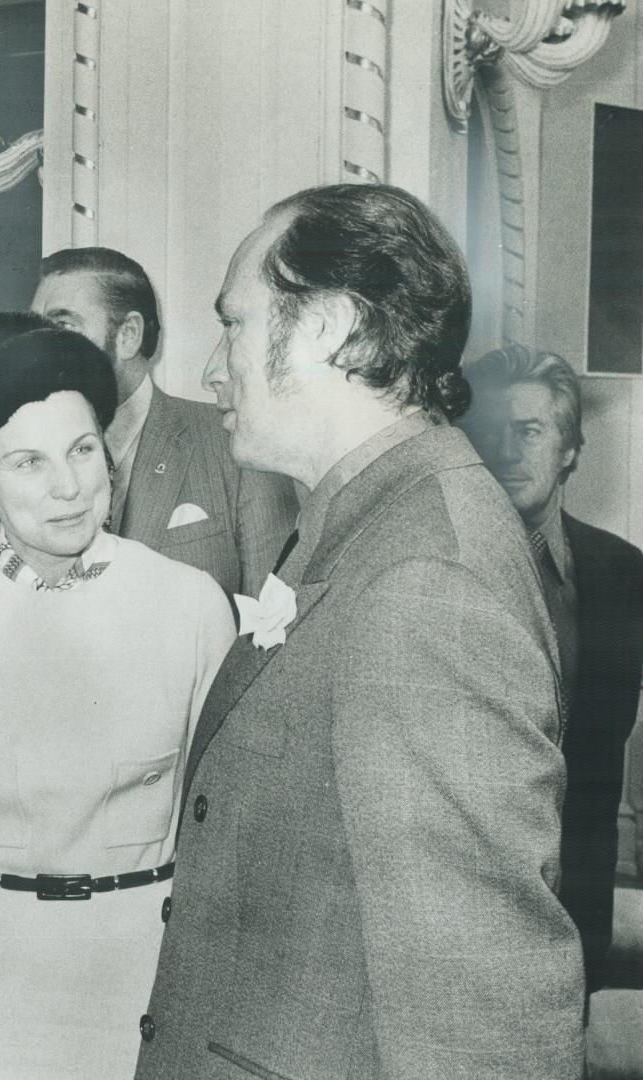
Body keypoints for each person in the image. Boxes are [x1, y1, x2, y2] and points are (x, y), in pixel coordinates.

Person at [136, 184, 585, 1080]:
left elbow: (480, 1010)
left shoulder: (426, 575)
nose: (214, 370)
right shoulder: (367, 520)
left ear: (332, 327)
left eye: (234, 323)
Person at [0, 323, 235, 1079]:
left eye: (82, 449)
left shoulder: (191, 605)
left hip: (143, 970)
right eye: (27, 462)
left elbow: (224, 831)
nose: (69, 487)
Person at [459, 343, 643, 995]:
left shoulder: (624, 575)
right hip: (460, 897)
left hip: (578, 909)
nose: (507, 450)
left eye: (530, 431)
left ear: (569, 448)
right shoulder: (438, 572)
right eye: (491, 434)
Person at [31, 246, 298, 596]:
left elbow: (274, 626)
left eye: (63, 326)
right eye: (34, 329)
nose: (36, 348)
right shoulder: (26, 463)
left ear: (128, 335)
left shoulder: (236, 445)